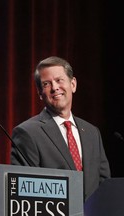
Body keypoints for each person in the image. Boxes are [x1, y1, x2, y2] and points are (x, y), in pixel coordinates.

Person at [10, 56, 110, 201]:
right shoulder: (27, 133)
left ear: (73, 84)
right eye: (46, 84)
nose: (55, 87)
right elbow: (26, 191)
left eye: (59, 80)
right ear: (39, 93)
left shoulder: (92, 132)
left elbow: (104, 183)